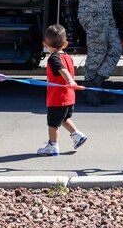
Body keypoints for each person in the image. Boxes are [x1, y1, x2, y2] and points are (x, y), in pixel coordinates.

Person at [36, 24, 88, 156]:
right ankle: (77, 135)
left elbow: (62, 70)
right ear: (65, 44)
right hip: (69, 97)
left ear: (45, 44)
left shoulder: (54, 58)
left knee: (53, 124)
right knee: (63, 118)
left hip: (58, 98)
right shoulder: (68, 57)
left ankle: (52, 146)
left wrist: (70, 80)